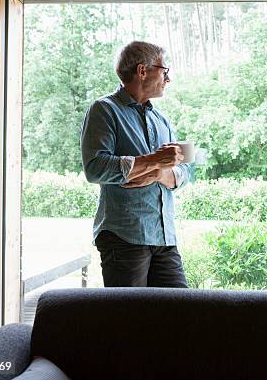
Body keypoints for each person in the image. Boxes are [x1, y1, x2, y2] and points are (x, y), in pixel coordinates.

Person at [80, 40, 191, 288]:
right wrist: (153, 161)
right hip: (124, 237)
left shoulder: (161, 119)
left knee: (183, 314)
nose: (168, 79)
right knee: (127, 321)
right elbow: (95, 168)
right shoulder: (104, 110)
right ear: (143, 71)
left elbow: (184, 171)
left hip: (164, 236)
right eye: (165, 71)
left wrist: (158, 173)